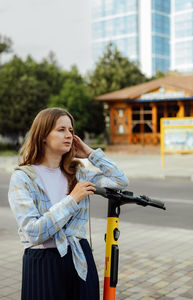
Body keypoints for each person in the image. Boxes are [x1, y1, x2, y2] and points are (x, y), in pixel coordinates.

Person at [8, 107, 128, 300]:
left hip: (79, 257)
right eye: (61, 129)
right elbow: (33, 232)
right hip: (42, 263)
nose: (69, 135)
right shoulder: (23, 178)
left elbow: (120, 180)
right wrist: (72, 199)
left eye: (71, 130)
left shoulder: (77, 172)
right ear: (43, 135)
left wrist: (90, 153)